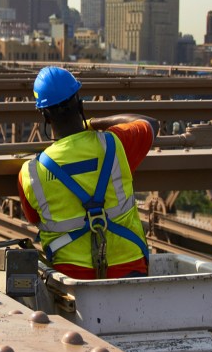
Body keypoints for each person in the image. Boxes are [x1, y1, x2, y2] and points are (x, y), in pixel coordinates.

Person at [18, 66, 158, 280]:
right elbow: (150, 124)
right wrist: (92, 123)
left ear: (45, 116)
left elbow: (34, 218)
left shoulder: (30, 173)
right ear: (80, 104)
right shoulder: (114, 144)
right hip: (130, 269)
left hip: (71, 280)